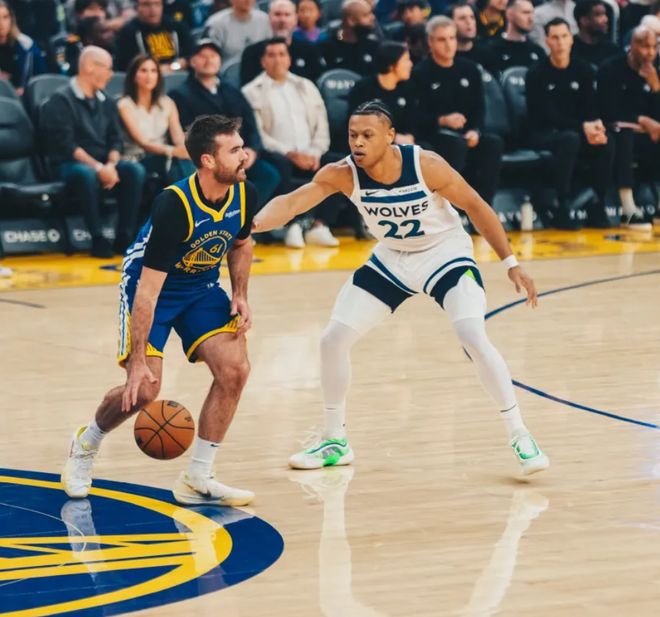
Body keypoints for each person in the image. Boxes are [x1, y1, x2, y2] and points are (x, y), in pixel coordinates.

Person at [252, 100, 549, 476]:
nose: (358, 143)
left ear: (390, 136)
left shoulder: (426, 165)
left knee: (471, 333)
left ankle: (520, 433)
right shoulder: (343, 173)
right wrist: (251, 224)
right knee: (332, 340)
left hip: (444, 253)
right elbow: (292, 203)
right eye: (353, 135)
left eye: (367, 135)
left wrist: (511, 263)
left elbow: (475, 205)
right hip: (392, 258)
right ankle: (334, 439)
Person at [61, 114, 257, 507]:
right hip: (151, 288)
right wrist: (136, 362)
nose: (244, 156)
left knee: (235, 370)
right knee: (145, 390)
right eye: (234, 150)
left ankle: (198, 476)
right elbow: (148, 292)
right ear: (207, 160)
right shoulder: (174, 205)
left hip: (200, 287)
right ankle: (86, 443)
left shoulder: (244, 191)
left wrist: (240, 293)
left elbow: (241, 244)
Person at [42, 46, 146, 258]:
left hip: (103, 163)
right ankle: (98, 238)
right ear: (89, 67)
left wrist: (111, 165)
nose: (111, 74)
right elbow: (67, 146)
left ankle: (124, 237)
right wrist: (99, 168)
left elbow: (115, 140)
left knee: (135, 170)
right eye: (107, 68)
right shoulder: (60, 100)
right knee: (85, 174)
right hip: (67, 164)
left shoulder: (107, 101)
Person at [242, 37, 342, 247]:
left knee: (340, 165)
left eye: (282, 54)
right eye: (271, 55)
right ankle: (293, 225)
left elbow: (322, 125)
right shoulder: (251, 91)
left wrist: (315, 152)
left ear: (289, 59)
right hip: (277, 152)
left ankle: (319, 225)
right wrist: (290, 154)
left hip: (311, 151)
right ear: (263, 61)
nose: (277, 59)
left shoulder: (306, 85)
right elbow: (259, 134)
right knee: (281, 165)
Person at [170, 39, 281, 207]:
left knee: (270, 175)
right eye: (202, 56)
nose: (208, 60)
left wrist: (252, 150)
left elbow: (251, 126)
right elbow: (189, 135)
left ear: (220, 61)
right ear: (192, 61)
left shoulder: (232, 90)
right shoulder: (180, 94)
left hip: (241, 153)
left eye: (213, 56)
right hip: (211, 157)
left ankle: (242, 214)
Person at [526, 18, 614, 229]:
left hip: (576, 131)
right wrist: (583, 127)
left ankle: (598, 203)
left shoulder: (583, 70)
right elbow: (545, 115)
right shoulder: (536, 73)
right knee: (570, 139)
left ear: (571, 39)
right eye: (555, 37)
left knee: (607, 141)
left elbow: (591, 107)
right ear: (547, 41)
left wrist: (596, 127)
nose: (560, 43)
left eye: (564, 36)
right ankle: (561, 205)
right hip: (543, 133)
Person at [412, 16, 504, 206]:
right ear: (430, 42)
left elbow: (479, 107)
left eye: (452, 38)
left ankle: (484, 206)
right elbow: (414, 116)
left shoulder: (470, 69)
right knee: (454, 145)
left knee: (493, 143)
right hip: (436, 134)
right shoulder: (420, 73)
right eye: (442, 39)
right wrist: (442, 120)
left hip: (467, 134)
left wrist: (475, 130)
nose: (448, 45)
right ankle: (453, 208)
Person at [598, 26, 660, 229]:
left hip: (648, 133)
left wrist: (656, 88)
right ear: (631, 45)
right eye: (644, 46)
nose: (650, 52)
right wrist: (641, 120)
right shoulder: (611, 68)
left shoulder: (656, 71)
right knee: (624, 136)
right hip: (618, 131)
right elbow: (608, 109)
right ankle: (628, 209)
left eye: (654, 47)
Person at [118, 54, 195, 186]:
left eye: (153, 71)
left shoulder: (167, 103)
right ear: (134, 76)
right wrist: (173, 151)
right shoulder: (124, 105)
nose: (149, 76)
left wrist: (187, 151)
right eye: (143, 70)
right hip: (136, 158)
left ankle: (188, 197)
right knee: (177, 163)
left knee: (187, 160)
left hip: (164, 156)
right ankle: (188, 197)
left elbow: (178, 137)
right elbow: (142, 142)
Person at [240, 0, 325, 86]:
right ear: (269, 18)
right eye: (277, 14)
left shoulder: (309, 50)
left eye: (287, 15)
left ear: (295, 19)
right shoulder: (251, 53)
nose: (282, 20)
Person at [349, 41, 417, 144]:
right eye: (406, 60)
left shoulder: (407, 88)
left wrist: (410, 136)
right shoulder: (364, 88)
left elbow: (411, 120)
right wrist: (394, 138)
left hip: (400, 145)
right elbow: (358, 124)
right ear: (391, 65)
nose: (410, 64)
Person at [114, 0, 193, 72]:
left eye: (157, 4)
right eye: (146, 4)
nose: (152, 9)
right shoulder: (127, 33)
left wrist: (174, 66)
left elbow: (191, 55)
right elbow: (124, 66)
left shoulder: (177, 27)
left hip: (178, 75)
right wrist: (155, 70)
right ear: (136, 8)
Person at [480, 0, 545, 76]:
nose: (531, 18)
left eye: (532, 13)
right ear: (509, 14)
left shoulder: (538, 51)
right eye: (525, 13)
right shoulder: (491, 50)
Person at [319, 0, 380, 76]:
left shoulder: (373, 45)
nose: (373, 17)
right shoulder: (328, 47)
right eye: (366, 15)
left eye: (371, 13)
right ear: (351, 20)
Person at [0, 0, 48, 94]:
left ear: (11, 19)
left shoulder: (26, 45)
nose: (1, 23)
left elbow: (42, 78)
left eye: (5, 17)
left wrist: (25, 89)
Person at [204, 0, 272, 64]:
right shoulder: (216, 24)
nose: (247, 0)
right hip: (228, 70)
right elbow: (209, 57)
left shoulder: (264, 19)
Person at [572, 0, 620, 68]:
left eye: (605, 14)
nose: (605, 19)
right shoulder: (568, 48)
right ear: (584, 20)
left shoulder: (613, 50)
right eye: (599, 15)